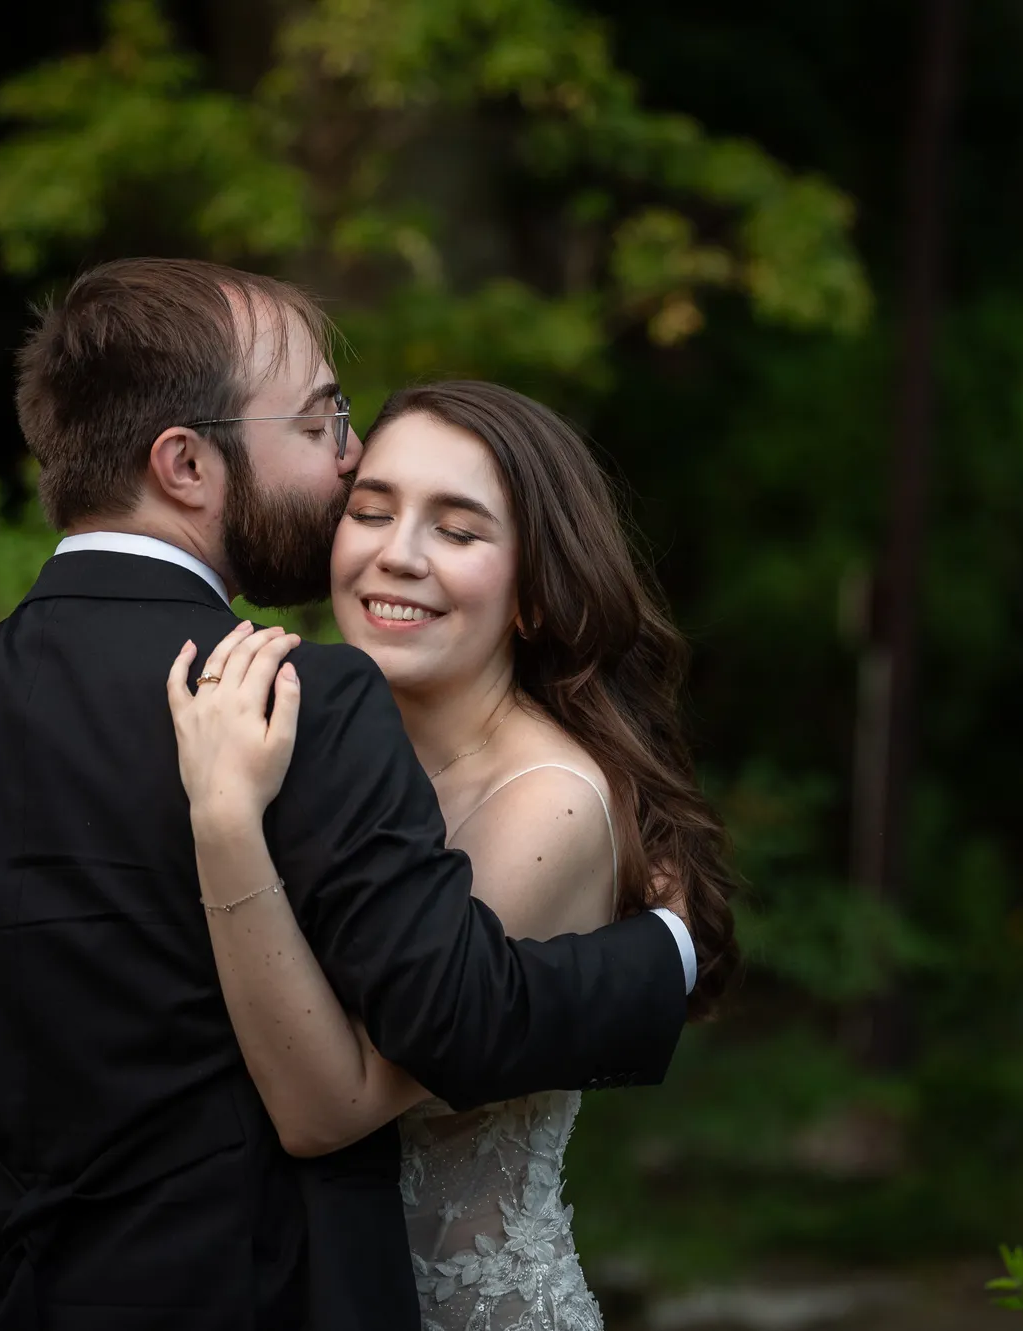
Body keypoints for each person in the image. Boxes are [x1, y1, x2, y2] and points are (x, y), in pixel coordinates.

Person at [0, 258, 704, 1331]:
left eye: (455, 525)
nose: (344, 459)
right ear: (187, 462)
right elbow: (452, 1016)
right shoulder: (301, 701)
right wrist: (666, 950)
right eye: (322, 423)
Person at [164, 381, 738, 1331]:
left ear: (534, 597)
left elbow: (327, 1110)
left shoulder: (548, 802)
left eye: (458, 530)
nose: (398, 553)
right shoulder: (292, 739)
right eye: (370, 511)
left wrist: (226, 826)